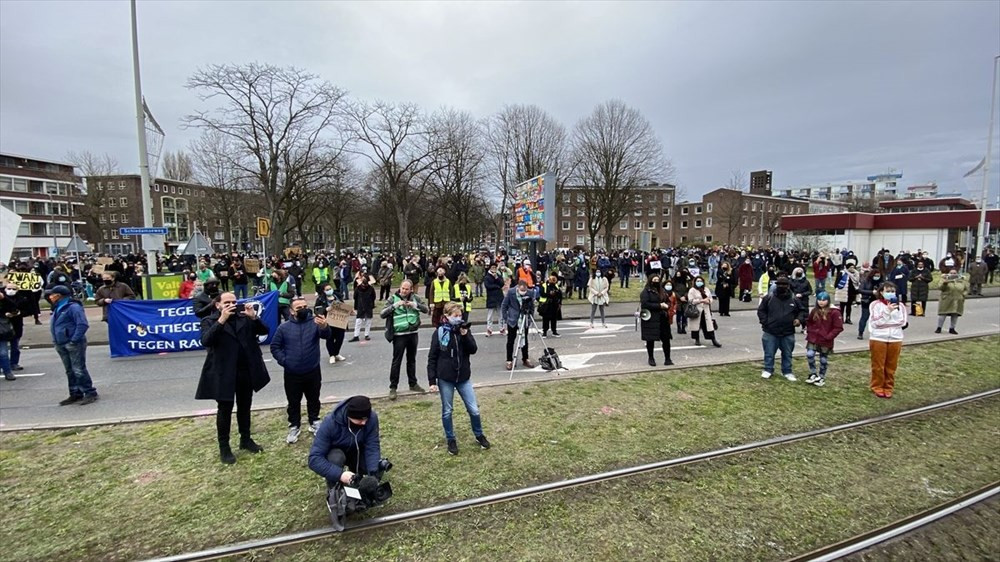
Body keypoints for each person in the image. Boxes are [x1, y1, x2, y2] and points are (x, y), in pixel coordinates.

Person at [195, 291, 270, 464]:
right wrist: (221, 320)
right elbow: (206, 340)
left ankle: (245, 439)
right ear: (218, 305)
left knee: (245, 406)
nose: (231, 305)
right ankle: (224, 447)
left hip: (245, 371)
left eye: (234, 302)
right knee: (225, 410)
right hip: (224, 373)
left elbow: (265, 331)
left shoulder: (244, 318)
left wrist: (254, 318)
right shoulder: (210, 321)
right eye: (227, 302)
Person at [427, 302, 490, 455]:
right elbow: (432, 357)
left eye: (460, 315)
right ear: (447, 316)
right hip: (445, 378)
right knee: (447, 411)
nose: (458, 318)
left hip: (463, 377)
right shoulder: (440, 332)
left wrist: (465, 335)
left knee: (474, 409)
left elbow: (473, 349)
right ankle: (451, 439)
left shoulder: (464, 330)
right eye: (455, 316)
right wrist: (432, 381)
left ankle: (479, 434)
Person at [271, 297, 330, 444]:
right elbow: (275, 347)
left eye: (305, 306)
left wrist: (324, 326)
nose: (303, 309)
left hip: (312, 370)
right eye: (299, 308)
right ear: (291, 311)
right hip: (292, 373)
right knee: (293, 401)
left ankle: (314, 421)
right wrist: (285, 361)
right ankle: (294, 425)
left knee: (313, 398)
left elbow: (327, 336)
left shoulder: (315, 323)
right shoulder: (283, 328)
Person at [309, 396, 384, 488]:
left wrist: (373, 474)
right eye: (360, 420)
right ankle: (333, 489)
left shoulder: (372, 418)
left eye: (366, 419)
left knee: (377, 465)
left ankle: (360, 481)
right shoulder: (330, 423)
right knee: (336, 457)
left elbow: (372, 445)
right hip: (336, 453)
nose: (364, 423)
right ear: (349, 416)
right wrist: (339, 475)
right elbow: (314, 459)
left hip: (357, 450)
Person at [47, 285, 99, 405]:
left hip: (73, 343)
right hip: (60, 343)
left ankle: (89, 392)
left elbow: (82, 324)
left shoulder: (73, 307)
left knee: (78, 369)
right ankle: (75, 393)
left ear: (58, 296)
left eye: (52, 294)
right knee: (69, 370)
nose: (50, 297)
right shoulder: (57, 307)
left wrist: (74, 340)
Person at [380, 280, 428, 400]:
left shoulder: (415, 298)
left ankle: (413, 383)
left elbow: (426, 310)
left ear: (411, 289)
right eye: (402, 288)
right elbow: (382, 314)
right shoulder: (393, 299)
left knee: (411, 360)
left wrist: (414, 305)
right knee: (397, 361)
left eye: (407, 289)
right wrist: (395, 306)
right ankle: (393, 387)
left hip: (413, 333)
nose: (404, 291)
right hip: (399, 334)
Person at [757, 275, 807, 381]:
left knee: (787, 353)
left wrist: (799, 319)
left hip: (788, 331)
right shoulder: (769, 298)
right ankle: (768, 369)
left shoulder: (794, 299)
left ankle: (787, 371)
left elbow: (802, 311)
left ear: (788, 286)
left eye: (784, 284)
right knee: (769, 352)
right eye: (779, 284)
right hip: (770, 331)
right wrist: (765, 322)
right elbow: (761, 310)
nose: (782, 286)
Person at [868, 282, 908, 399]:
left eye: (892, 291)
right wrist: (887, 312)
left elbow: (902, 322)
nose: (890, 293)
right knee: (878, 365)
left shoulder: (900, 306)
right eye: (888, 291)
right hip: (878, 338)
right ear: (881, 292)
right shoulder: (875, 305)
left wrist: (886, 321)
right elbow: (876, 323)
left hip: (896, 338)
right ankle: (877, 386)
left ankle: (888, 387)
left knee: (891, 365)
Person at [804, 292, 843, 387]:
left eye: (824, 300)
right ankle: (813, 373)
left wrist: (828, 336)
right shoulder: (815, 310)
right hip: (813, 337)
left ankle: (821, 376)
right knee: (810, 354)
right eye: (819, 300)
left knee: (823, 359)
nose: (821, 302)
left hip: (825, 339)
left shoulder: (834, 312)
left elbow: (838, 327)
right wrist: (810, 330)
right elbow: (809, 321)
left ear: (828, 301)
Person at [501, 280, 536, 370]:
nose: (523, 293)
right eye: (521, 291)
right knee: (510, 340)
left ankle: (525, 358)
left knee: (525, 339)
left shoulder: (530, 293)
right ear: (518, 287)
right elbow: (504, 305)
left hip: (525, 319)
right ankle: (509, 360)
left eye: (524, 291)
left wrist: (530, 317)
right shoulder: (511, 292)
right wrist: (506, 318)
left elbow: (532, 306)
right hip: (513, 320)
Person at [640, 275, 674, 367]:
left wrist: (667, 305)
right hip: (651, 319)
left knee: (666, 340)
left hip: (663, 318)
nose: (656, 281)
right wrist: (659, 306)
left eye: (658, 280)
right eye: (654, 280)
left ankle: (668, 358)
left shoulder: (662, 291)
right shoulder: (646, 291)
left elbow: (668, 301)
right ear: (650, 281)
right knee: (650, 340)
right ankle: (651, 358)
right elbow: (645, 304)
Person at [316, 282, 347, 364]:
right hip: (328, 321)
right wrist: (326, 309)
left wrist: (349, 311)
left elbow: (343, 306)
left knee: (340, 338)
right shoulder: (320, 299)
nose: (329, 291)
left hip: (340, 320)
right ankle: (332, 355)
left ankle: (336, 353)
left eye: (330, 289)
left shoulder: (338, 296)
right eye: (327, 290)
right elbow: (317, 311)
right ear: (323, 291)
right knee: (330, 338)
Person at [1, 282, 25, 374]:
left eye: (13, 289)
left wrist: (18, 313)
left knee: (15, 346)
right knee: (3, 350)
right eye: (9, 288)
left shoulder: (21, 299)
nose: (11, 291)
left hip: (16, 325)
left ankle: (14, 363)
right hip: (3, 327)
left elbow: (26, 309)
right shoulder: (2, 298)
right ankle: (4, 365)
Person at [935, 270, 967, 334]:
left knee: (955, 314)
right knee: (943, 314)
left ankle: (952, 328)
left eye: (954, 273)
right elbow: (940, 288)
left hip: (958, 299)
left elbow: (966, 289)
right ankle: (939, 327)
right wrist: (945, 284)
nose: (953, 274)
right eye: (951, 273)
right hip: (946, 299)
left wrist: (963, 295)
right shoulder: (944, 279)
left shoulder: (961, 280)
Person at [856, 269, 882, 339]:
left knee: (877, 318)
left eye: (878, 276)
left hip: (877, 302)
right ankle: (860, 332)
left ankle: (876, 332)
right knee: (864, 317)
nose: (877, 277)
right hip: (866, 301)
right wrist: (871, 292)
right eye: (875, 275)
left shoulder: (881, 282)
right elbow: (860, 290)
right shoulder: (865, 281)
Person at [349, 274, 376, 342]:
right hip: (361, 306)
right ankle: (356, 335)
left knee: (368, 321)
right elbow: (355, 297)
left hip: (368, 306)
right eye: (363, 279)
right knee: (358, 322)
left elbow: (373, 297)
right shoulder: (358, 288)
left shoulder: (371, 288)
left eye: (365, 279)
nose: (364, 280)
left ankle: (366, 335)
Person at [0, 285, 18, 380]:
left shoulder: (2, 297)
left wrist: (3, 298)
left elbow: (13, 306)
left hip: (1, 330)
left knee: (3, 353)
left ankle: (7, 372)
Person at [484, 262, 505, 337]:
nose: (494, 269)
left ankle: (502, 328)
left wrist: (496, 278)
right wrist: (497, 286)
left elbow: (502, 283)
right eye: (492, 267)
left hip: (499, 297)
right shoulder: (487, 277)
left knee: (501, 315)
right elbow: (488, 286)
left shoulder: (498, 275)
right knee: (490, 316)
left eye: (495, 267)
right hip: (491, 298)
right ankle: (489, 329)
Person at [538, 273, 563, 338]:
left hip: (554, 305)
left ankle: (554, 331)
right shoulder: (544, 285)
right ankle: (544, 332)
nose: (552, 281)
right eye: (551, 279)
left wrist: (560, 303)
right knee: (545, 319)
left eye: (554, 280)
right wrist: (550, 294)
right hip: (546, 305)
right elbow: (542, 294)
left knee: (554, 319)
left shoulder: (556, 285)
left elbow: (560, 295)